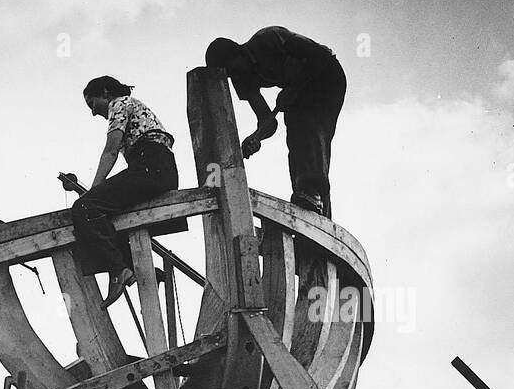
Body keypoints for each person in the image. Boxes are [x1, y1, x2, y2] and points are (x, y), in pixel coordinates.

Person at [205, 27, 346, 218]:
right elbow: (268, 122)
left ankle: (312, 193)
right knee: (296, 137)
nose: (235, 76)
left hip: (326, 75)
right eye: (229, 75)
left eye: (234, 69)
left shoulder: (268, 38)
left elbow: (318, 55)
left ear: (238, 52)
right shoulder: (241, 79)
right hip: (299, 90)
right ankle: (310, 202)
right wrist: (256, 137)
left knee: (309, 127)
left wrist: (295, 87)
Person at [71, 76, 179, 307]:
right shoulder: (132, 106)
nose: (92, 113)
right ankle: (140, 269)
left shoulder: (119, 104)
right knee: (110, 213)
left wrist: (91, 193)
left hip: (150, 165)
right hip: (161, 168)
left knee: (85, 208)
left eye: (92, 103)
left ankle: (120, 271)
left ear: (106, 92)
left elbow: (110, 151)